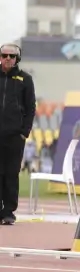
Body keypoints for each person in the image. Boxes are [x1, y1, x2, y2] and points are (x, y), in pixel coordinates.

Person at [0, 43, 36, 225]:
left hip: (15, 135)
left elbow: (30, 108)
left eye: (11, 56)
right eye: (4, 55)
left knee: (11, 173)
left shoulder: (25, 79)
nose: (7, 58)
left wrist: (25, 132)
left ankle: (8, 212)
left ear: (17, 59)